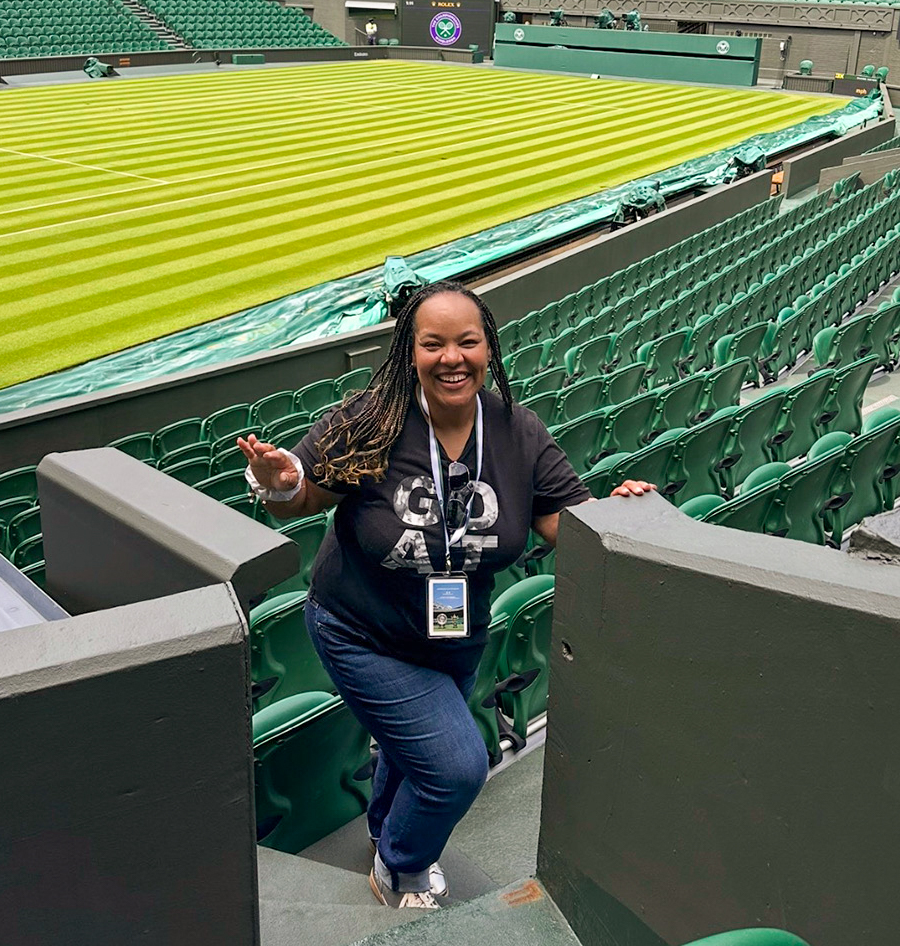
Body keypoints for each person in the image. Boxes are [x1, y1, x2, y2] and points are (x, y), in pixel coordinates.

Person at [238, 281, 652, 910]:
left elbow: (564, 522)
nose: (451, 357)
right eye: (433, 343)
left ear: (489, 349)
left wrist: (617, 515)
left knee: (413, 754)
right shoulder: (371, 420)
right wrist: (277, 484)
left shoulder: (518, 433)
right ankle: (401, 866)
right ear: (411, 352)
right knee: (456, 767)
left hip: (456, 634)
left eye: (467, 341)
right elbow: (303, 493)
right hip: (361, 631)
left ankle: (383, 832)